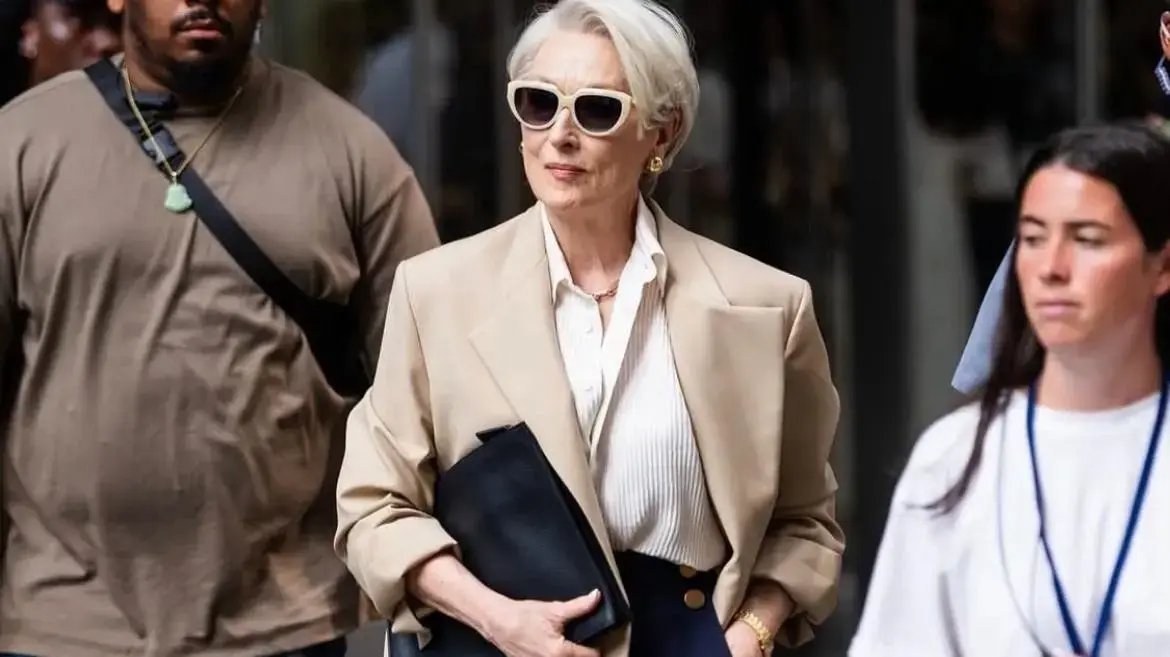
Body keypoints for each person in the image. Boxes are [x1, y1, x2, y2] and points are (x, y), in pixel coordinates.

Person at [333, 1, 844, 656]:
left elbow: (805, 525)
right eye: (538, 103)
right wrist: (498, 619)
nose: (560, 135)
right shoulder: (435, 292)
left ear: (661, 133)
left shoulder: (766, 307)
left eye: (597, 109)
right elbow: (375, 506)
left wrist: (748, 638)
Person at [0, 0, 439, 655]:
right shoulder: (22, 142)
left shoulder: (350, 151)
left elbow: (431, 390)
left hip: (285, 618)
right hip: (63, 615)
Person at [852, 123, 1170, 656]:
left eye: (1088, 239)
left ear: (1162, 266)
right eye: (1033, 238)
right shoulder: (956, 456)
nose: (1052, 269)